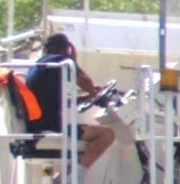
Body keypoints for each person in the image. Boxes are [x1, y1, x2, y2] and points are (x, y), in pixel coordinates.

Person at [19, 32, 122, 173]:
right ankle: (75, 181)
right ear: (66, 48)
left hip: (37, 127)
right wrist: (72, 58)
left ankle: (68, 179)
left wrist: (88, 97)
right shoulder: (63, 61)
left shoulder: (41, 65)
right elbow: (87, 83)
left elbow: (62, 102)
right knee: (107, 134)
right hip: (52, 128)